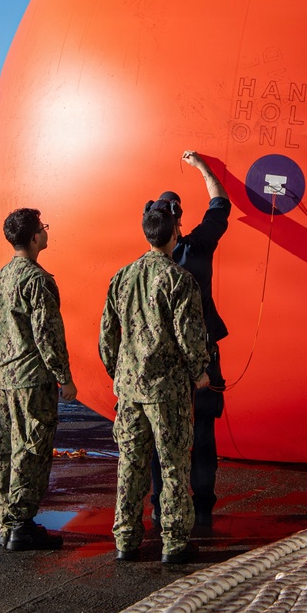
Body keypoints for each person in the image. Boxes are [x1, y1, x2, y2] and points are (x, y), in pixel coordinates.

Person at [100, 203, 211, 564]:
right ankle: (175, 541)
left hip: (130, 389)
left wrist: (118, 372)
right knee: (173, 463)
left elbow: (106, 336)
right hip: (167, 391)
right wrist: (200, 371)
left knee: (130, 463)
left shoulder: (122, 276)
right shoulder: (179, 280)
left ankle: (126, 539)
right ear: (175, 233)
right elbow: (190, 335)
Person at [150, 150, 231, 529]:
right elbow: (220, 204)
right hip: (200, 362)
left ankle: (161, 507)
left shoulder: (137, 272)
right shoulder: (197, 249)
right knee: (201, 434)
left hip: (159, 366)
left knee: (159, 436)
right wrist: (202, 167)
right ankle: (201, 508)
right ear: (178, 221)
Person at [0, 208, 76, 551]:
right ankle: (21, 524)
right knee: (32, 449)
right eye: (43, 227)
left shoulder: (1, 277)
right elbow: (48, 336)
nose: (46, 231)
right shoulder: (37, 280)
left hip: (3, 378)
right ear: (35, 237)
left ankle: (9, 519)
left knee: (6, 451)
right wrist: (64, 377)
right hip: (31, 379)